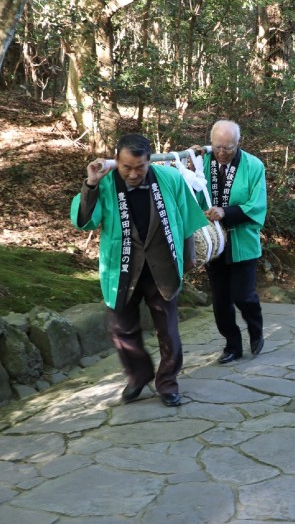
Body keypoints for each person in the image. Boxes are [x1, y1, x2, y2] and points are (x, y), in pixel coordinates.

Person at [71, 134, 208, 407]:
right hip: (122, 267)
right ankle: (138, 374)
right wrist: (91, 183)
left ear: (149, 161)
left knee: (168, 328)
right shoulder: (106, 183)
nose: (133, 174)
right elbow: (84, 221)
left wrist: (189, 256)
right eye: (126, 168)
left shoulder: (170, 179)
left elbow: (188, 218)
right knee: (121, 327)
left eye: (139, 167)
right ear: (116, 161)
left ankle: (168, 382)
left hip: (162, 264)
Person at [197, 120, 267, 364]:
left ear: (238, 143)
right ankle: (232, 345)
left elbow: (257, 204)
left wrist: (226, 212)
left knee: (243, 295)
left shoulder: (253, 165)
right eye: (217, 147)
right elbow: (190, 192)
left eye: (228, 148)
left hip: (242, 241)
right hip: (214, 244)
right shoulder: (201, 162)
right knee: (220, 299)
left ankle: (256, 330)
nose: (222, 153)